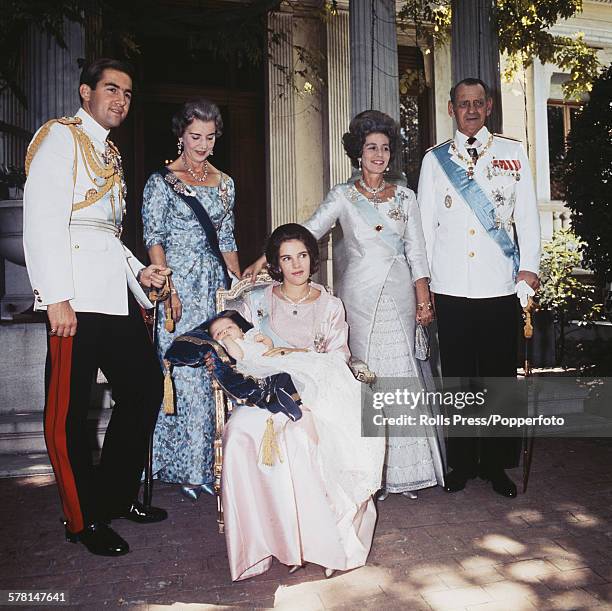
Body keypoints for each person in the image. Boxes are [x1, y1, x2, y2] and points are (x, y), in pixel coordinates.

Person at [244, 111, 445, 500]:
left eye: (386, 148)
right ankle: (372, 473)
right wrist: (265, 257)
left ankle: (409, 471)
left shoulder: (406, 197)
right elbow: (308, 232)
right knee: (366, 380)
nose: (379, 154)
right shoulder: (342, 195)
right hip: (357, 299)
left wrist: (423, 298)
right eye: (372, 147)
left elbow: (417, 253)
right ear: (358, 152)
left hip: (400, 298)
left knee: (401, 374)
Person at [23, 58, 169, 557]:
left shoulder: (111, 154)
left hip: (112, 297)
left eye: (127, 93)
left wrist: (139, 276)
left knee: (145, 388)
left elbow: (106, 235)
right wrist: (54, 297)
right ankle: (81, 519)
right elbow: (43, 222)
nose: (121, 100)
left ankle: (114, 496)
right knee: (66, 414)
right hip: (74, 300)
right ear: (86, 92)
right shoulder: (60, 138)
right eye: (111, 89)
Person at [221, 223, 384, 581]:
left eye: (302, 255)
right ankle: (273, 544)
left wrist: (294, 355)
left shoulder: (329, 305)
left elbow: (338, 357)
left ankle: (323, 542)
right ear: (276, 264)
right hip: (265, 392)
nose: (296, 264)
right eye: (286, 258)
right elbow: (236, 347)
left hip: (318, 389)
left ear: (312, 259)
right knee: (239, 434)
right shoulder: (256, 302)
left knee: (311, 435)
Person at [417, 77, 541, 498]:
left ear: (488, 107)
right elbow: (425, 232)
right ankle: (463, 462)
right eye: (462, 103)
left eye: (477, 103)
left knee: (496, 377)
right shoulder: (434, 161)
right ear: (451, 109)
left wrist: (529, 269)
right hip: (451, 286)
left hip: (498, 284)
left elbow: (526, 219)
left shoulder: (512, 154)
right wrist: (427, 286)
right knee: (457, 378)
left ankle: (495, 464)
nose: (470, 110)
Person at [142, 99, 240, 501]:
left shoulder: (225, 183)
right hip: (178, 288)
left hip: (213, 285)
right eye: (195, 136)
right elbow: (154, 237)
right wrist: (166, 289)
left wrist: (237, 286)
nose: (202, 145)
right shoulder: (162, 182)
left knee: (214, 370)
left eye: (209, 137)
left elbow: (228, 239)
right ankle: (181, 466)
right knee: (182, 371)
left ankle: (213, 464)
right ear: (180, 135)